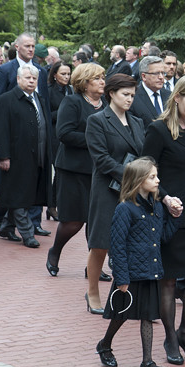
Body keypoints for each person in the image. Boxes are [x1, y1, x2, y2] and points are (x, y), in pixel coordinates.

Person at [141, 75, 185, 364]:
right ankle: (170, 337)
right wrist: (165, 197)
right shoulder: (158, 130)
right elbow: (145, 171)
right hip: (169, 216)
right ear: (177, 97)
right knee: (168, 281)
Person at [95, 157, 177, 367]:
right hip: (131, 273)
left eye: (157, 176)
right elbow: (117, 245)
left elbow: (163, 237)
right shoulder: (125, 209)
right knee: (120, 314)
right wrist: (121, 277)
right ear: (140, 181)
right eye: (152, 177)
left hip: (151, 271)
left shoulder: (157, 207)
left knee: (147, 315)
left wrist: (175, 217)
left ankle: (147, 362)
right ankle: (105, 344)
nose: (158, 181)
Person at [84, 74, 145, 310]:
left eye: (132, 95)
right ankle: (92, 293)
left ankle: (126, 295)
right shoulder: (97, 120)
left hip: (132, 191)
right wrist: (133, 175)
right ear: (111, 93)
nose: (129, 99)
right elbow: (101, 159)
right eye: (125, 94)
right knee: (101, 243)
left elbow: (142, 154)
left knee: (130, 243)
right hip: (107, 189)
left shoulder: (137, 122)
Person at [46, 63, 107, 274]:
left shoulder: (107, 103)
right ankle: (55, 251)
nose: (102, 82)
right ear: (85, 82)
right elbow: (64, 133)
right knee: (73, 221)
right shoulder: (72, 102)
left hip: (100, 170)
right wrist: (96, 140)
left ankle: (93, 267)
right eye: (97, 78)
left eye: (103, 77)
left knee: (97, 222)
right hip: (73, 170)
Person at [0, 65, 53, 248]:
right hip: (16, 156)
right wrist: (3, 156)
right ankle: (27, 233)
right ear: (18, 79)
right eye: (28, 78)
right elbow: (1, 129)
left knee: (26, 194)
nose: (32, 81)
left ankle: (7, 226)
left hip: (38, 155)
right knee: (18, 194)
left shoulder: (39, 98)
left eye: (34, 78)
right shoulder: (7, 99)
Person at [46, 60, 72, 220]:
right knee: (57, 170)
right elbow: (46, 114)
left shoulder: (71, 90)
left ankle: (57, 204)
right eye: (63, 74)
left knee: (64, 171)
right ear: (55, 75)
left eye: (68, 74)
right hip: (54, 135)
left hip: (68, 136)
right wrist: (63, 111)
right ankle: (51, 205)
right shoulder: (49, 91)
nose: (66, 77)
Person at [129, 56, 171, 127]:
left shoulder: (169, 95)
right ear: (144, 76)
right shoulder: (132, 97)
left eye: (163, 73)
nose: (161, 77)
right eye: (156, 73)